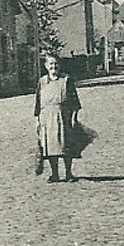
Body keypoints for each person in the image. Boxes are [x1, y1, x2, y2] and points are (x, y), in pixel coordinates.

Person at [33, 51, 82, 183]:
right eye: (50, 64)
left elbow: (74, 101)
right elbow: (38, 102)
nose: (53, 66)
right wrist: (37, 120)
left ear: (59, 65)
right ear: (46, 65)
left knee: (66, 145)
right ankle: (54, 174)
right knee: (49, 147)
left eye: (56, 63)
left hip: (63, 116)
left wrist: (73, 118)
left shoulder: (66, 80)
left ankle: (68, 173)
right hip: (46, 118)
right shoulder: (42, 82)